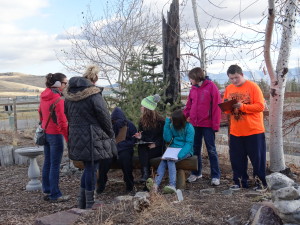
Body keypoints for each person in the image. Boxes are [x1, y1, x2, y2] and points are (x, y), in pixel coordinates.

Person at [64, 65, 117, 209]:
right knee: (92, 168)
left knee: (88, 167)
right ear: (95, 79)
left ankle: (82, 201)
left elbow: (67, 115)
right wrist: (110, 134)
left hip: (75, 135)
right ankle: (90, 203)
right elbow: (104, 116)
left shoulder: (68, 96)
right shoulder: (94, 95)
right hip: (92, 136)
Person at [223, 64, 267, 191]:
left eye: (236, 77)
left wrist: (242, 107)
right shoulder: (229, 88)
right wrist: (227, 109)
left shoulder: (253, 87)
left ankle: (260, 183)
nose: (234, 81)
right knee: (237, 159)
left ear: (242, 75)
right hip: (236, 131)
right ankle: (240, 182)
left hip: (254, 130)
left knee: (257, 159)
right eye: (231, 78)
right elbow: (226, 108)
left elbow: (260, 107)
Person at [183, 67, 222, 186]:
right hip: (195, 123)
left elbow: (217, 107)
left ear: (196, 77)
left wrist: (215, 124)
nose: (190, 80)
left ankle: (215, 175)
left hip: (208, 124)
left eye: (191, 78)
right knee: (195, 149)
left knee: (211, 149)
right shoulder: (193, 89)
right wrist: (185, 117)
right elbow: (189, 104)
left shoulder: (211, 87)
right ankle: (196, 173)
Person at [148, 109, 195, 193]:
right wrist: (167, 124)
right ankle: (155, 185)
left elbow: (189, 144)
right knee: (163, 161)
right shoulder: (173, 126)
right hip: (173, 149)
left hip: (185, 151)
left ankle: (172, 185)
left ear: (179, 121)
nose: (172, 121)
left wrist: (179, 155)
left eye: (173, 120)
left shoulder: (189, 128)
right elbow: (167, 138)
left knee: (170, 160)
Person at [38, 73, 69, 202]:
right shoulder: (58, 99)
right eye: (64, 83)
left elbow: (40, 112)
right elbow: (62, 122)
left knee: (48, 162)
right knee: (55, 165)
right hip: (55, 135)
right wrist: (68, 138)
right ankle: (55, 194)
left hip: (46, 132)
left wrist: (44, 124)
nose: (66, 85)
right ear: (57, 84)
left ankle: (47, 190)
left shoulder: (43, 95)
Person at [97, 107, 137, 194]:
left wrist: (120, 146)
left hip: (125, 149)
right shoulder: (109, 126)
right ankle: (101, 184)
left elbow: (133, 141)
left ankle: (129, 184)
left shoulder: (129, 125)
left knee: (125, 160)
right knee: (104, 161)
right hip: (111, 149)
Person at [133, 94, 165, 183]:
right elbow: (145, 137)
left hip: (158, 148)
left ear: (147, 109)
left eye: (142, 106)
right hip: (147, 147)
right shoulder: (141, 122)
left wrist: (155, 144)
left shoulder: (160, 121)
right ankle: (146, 174)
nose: (141, 108)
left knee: (144, 152)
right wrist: (140, 136)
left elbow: (164, 137)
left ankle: (146, 175)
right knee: (142, 148)